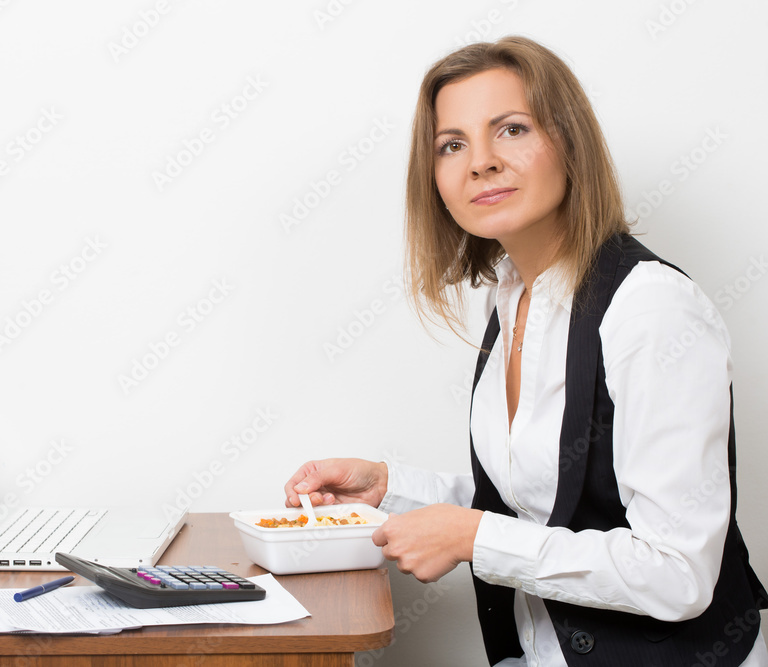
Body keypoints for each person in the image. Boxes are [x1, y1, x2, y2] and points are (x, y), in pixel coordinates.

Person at [283, 36, 767, 666]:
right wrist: (388, 488)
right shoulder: (513, 297)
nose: (479, 163)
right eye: (451, 145)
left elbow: (678, 574)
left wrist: (472, 538)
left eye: (510, 129)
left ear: (570, 142)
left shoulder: (650, 309)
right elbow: (545, 498)